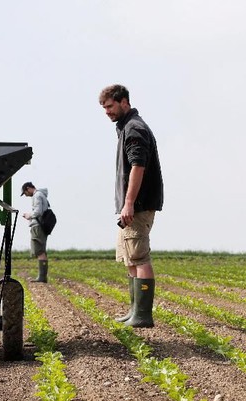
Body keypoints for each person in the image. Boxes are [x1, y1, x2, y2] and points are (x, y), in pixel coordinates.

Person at [99, 84, 164, 328]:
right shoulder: (126, 127)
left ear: (123, 101)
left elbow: (138, 166)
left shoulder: (134, 128)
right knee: (128, 256)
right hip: (131, 205)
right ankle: (135, 310)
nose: (106, 111)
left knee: (139, 255)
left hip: (138, 204)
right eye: (104, 108)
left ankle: (143, 315)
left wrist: (128, 203)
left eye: (109, 106)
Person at [20, 181, 50, 283]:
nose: (26, 195)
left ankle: (42, 277)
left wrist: (29, 215)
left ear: (28, 188)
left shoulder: (37, 196)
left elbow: (38, 211)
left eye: (25, 193)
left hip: (38, 226)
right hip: (41, 225)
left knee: (39, 250)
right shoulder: (41, 195)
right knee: (41, 250)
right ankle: (42, 277)